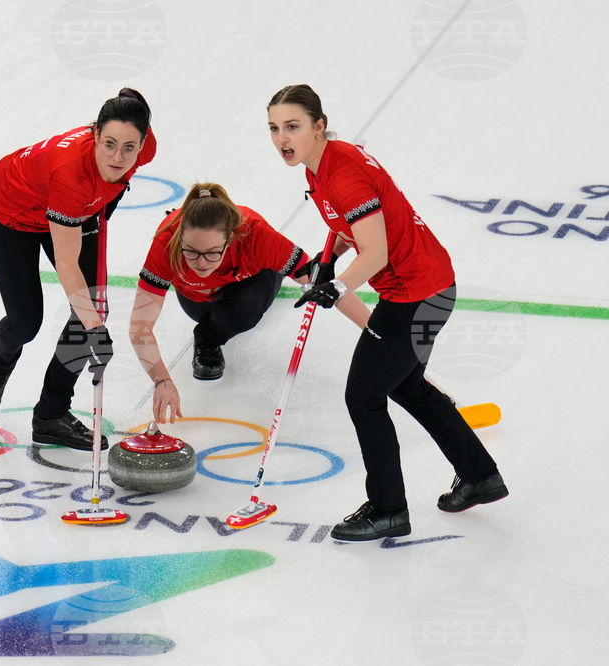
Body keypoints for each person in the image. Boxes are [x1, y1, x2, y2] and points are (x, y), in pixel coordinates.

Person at [267, 84, 507, 541]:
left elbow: (374, 252)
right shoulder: (326, 162)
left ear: (319, 126)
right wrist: (327, 259)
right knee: (409, 387)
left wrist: (333, 287)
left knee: (364, 396)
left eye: (293, 127)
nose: (283, 138)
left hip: (416, 295)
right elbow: (348, 225)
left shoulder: (343, 175)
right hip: (430, 285)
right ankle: (480, 475)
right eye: (275, 129)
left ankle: (388, 508)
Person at [0, 88, 156, 451]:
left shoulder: (141, 148)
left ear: (143, 143)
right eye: (109, 144)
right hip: (14, 211)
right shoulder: (72, 174)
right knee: (27, 322)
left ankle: (51, 415)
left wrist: (92, 324)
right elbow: (67, 264)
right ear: (95, 134)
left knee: (92, 308)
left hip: (76, 210)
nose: (118, 157)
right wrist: (96, 333)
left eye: (129, 148)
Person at [129, 182, 370, 425]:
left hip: (253, 281)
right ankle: (211, 326)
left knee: (244, 309)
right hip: (198, 300)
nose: (201, 263)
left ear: (231, 236)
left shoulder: (254, 234)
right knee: (215, 310)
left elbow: (322, 284)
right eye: (191, 252)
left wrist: (372, 329)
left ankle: (208, 337)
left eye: (213, 252)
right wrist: (162, 380)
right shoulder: (167, 241)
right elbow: (140, 327)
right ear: (180, 238)